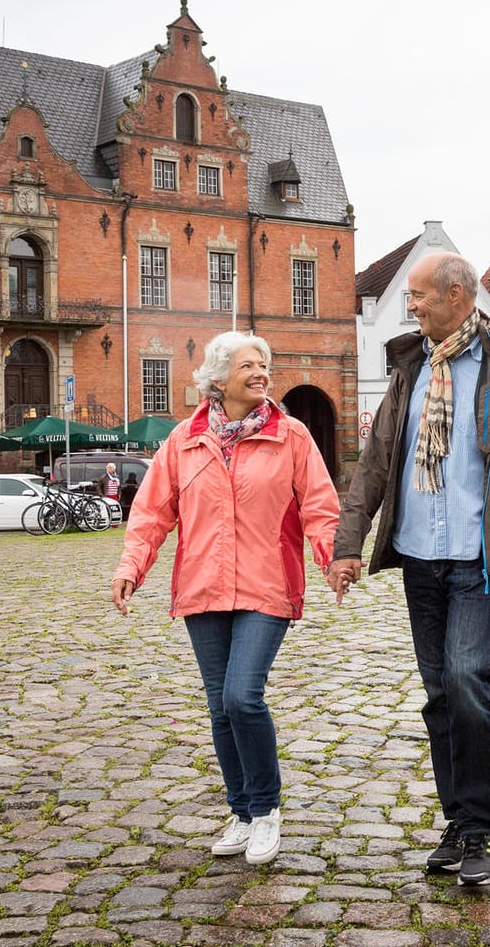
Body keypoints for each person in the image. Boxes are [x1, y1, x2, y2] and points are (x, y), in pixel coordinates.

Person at [330, 252, 490, 888]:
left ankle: (482, 828)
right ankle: (459, 822)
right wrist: (348, 543)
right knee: (439, 694)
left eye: (419, 296)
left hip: (476, 556)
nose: (410, 306)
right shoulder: (412, 368)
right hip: (418, 556)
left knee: (467, 680)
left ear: (458, 296)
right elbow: (377, 461)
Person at [110, 331, 342, 867]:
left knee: (242, 697)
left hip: (267, 585)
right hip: (203, 588)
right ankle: (240, 812)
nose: (261, 373)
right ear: (219, 379)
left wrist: (331, 557)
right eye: (248, 365)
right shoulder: (183, 441)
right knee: (219, 708)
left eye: (265, 364)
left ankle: (265, 811)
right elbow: (151, 512)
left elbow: (320, 506)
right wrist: (131, 567)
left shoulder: (292, 435)